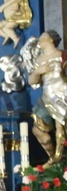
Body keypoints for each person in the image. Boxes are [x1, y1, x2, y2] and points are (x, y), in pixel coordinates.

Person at [27, 30, 67, 166]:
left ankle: (59, 156)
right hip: (47, 97)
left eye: (43, 37)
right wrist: (38, 71)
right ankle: (53, 159)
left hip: (62, 94)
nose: (40, 39)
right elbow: (32, 81)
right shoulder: (39, 61)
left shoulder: (63, 55)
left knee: (61, 127)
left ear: (51, 39)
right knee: (37, 129)